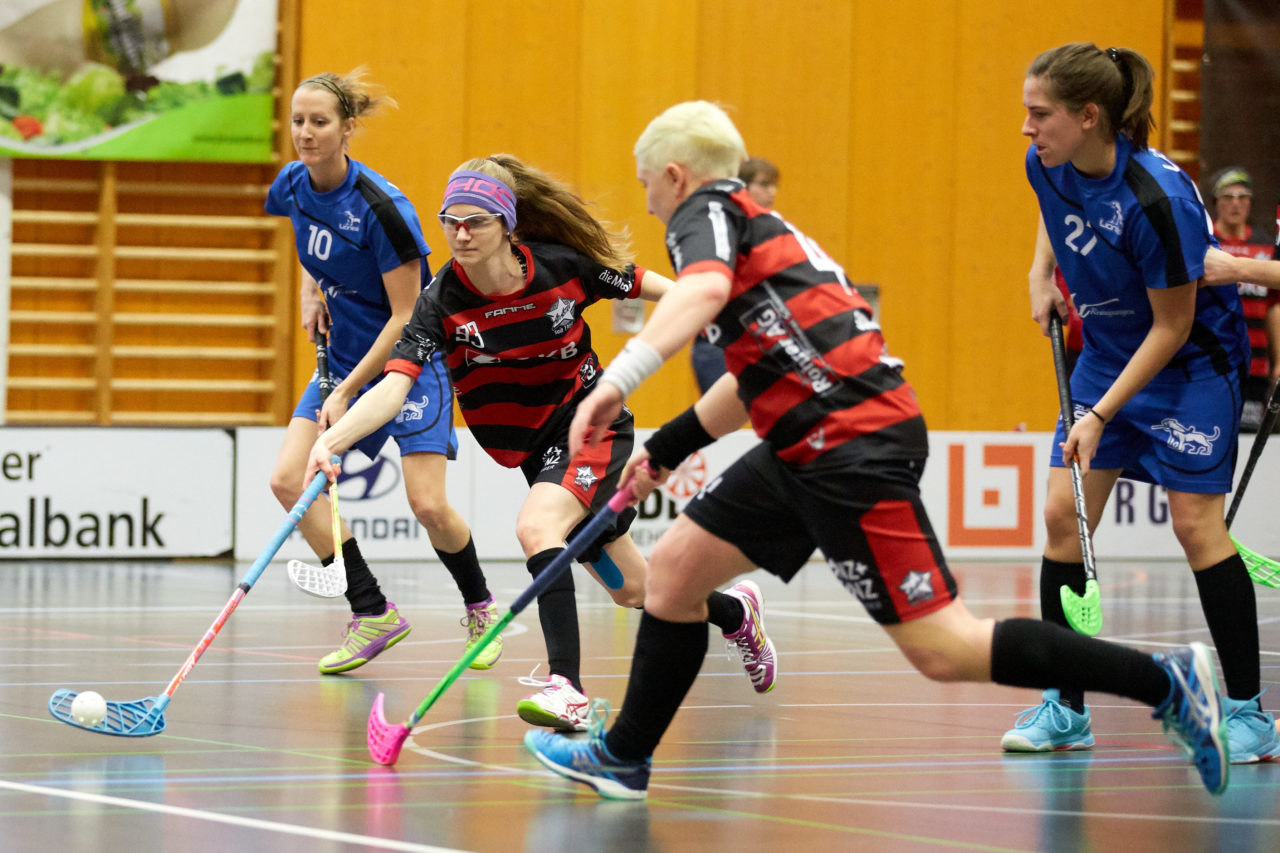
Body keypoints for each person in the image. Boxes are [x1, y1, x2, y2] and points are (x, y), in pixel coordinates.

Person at [522, 99, 1233, 801]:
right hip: (806, 435)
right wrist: (666, 449)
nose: (647, 204)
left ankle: (1165, 681)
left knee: (944, 648)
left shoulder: (705, 213)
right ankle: (622, 758)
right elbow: (753, 382)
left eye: (646, 183)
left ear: (675, 175)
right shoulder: (760, 235)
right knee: (675, 573)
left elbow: (701, 289)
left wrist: (615, 384)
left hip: (848, 443)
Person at [304, 154, 775, 731]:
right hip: (531, 452)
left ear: (506, 224)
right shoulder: (441, 301)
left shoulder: (563, 267)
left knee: (536, 529)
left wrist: (726, 312)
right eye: (451, 220)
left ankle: (566, 688)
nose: (460, 233)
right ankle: (736, 614)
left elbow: (659, 288)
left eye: (475, 221)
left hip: (587, 427)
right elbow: (395, 387)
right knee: (636, 590)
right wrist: (337, 441)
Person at [1004, 44, 1279, 764]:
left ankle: (1249, 713)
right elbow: (1051, 204)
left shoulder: (1159, 200)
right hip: (1104, 356)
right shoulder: (1048, 161)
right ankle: (1065, 707)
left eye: (1040, 114)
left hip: (1188, 365)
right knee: (1063, 516)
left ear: (1089, 116)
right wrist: (1039, 273)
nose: (1026, 129)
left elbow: (1174, 324)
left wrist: (1097, 416)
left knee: (1195, 525)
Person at [266, 70, 501, 676]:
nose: (305, 133)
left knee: (427, 505)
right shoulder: (291, 184)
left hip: (409, 362)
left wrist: (347, 389)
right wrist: (310, 290)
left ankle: (480, 605)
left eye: (319, 123)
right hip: (342, 356)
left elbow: (407, 313)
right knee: (289, 481)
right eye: (297, 121)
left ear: (347, 130)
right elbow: (309, 243)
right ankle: (371, 610)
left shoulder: (382, 208)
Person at [690, 156, 780, 393]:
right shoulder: (725, 228)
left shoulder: (773, 227)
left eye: (773, 185)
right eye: (763, 184)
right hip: (720, 341)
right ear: (742, 186)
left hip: (760, 339)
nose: (772, 191)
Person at [1207, 167, 1279, 430]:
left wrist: (1278, 361)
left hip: (1256, 366)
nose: (1235, 203)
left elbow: (1274, 306)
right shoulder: (1207, 242)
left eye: (1242, 196)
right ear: (1216, 203)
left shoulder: (1266, 246)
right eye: (1228, 196)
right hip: (1211, 364)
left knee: (1248, 435)